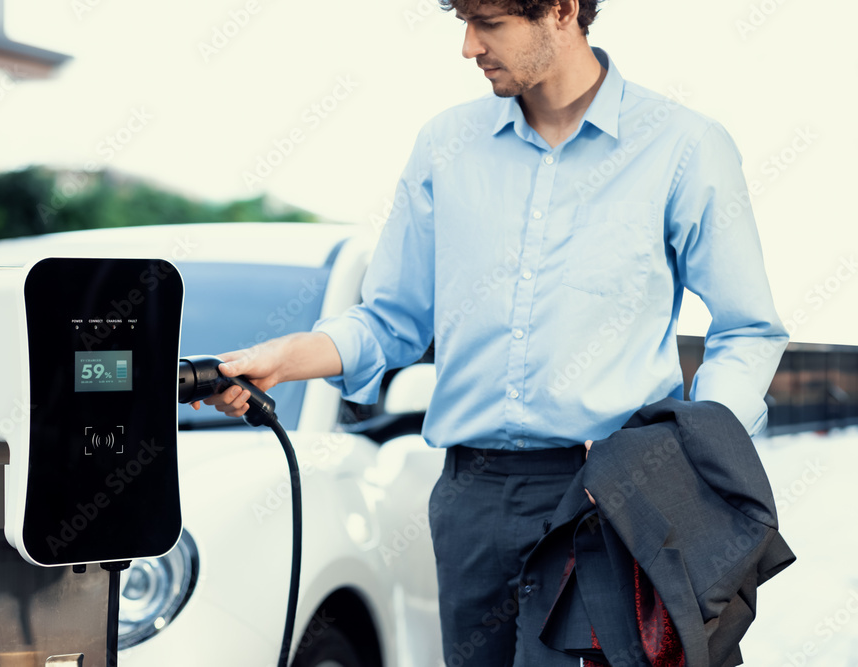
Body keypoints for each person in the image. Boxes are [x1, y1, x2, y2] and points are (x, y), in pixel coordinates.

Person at [194, 0, 788, 664]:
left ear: (562, 10)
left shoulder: (681, 145)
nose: (469, 46)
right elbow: (389, 320)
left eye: (489, 22)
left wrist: (682, 461)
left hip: (604, 499)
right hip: (468, 502)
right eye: (464, 22)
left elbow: (748, 328)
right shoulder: (444, 145)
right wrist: (282, 357)